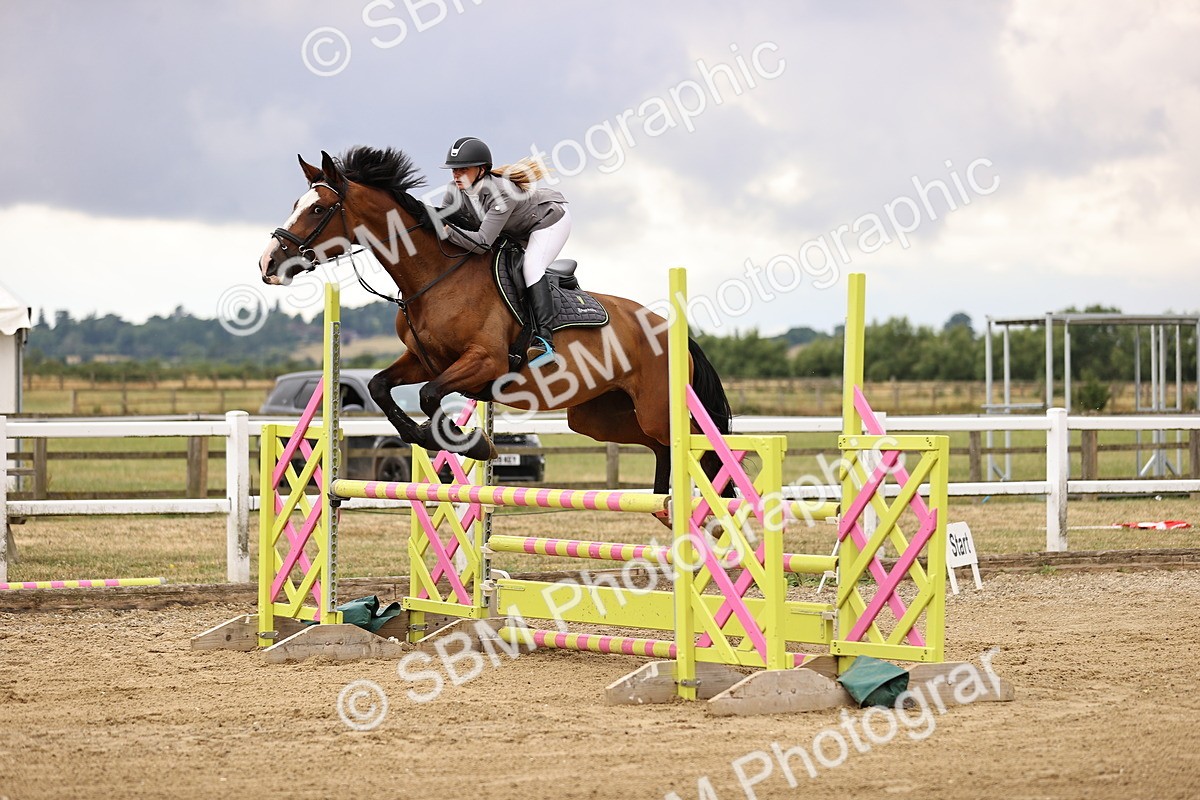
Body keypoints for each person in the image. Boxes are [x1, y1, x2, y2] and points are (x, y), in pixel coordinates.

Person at [439, 136, 569, 368]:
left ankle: (545, 341)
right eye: (454, 170)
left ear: (481, 170)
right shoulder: (453, 191)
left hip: (549, 220)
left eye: (463, 169)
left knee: (531, 267)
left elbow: (481, 243)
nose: (456, 175)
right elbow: (444, 222)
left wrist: (447, 231)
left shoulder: (502, 192)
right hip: (513, 230)